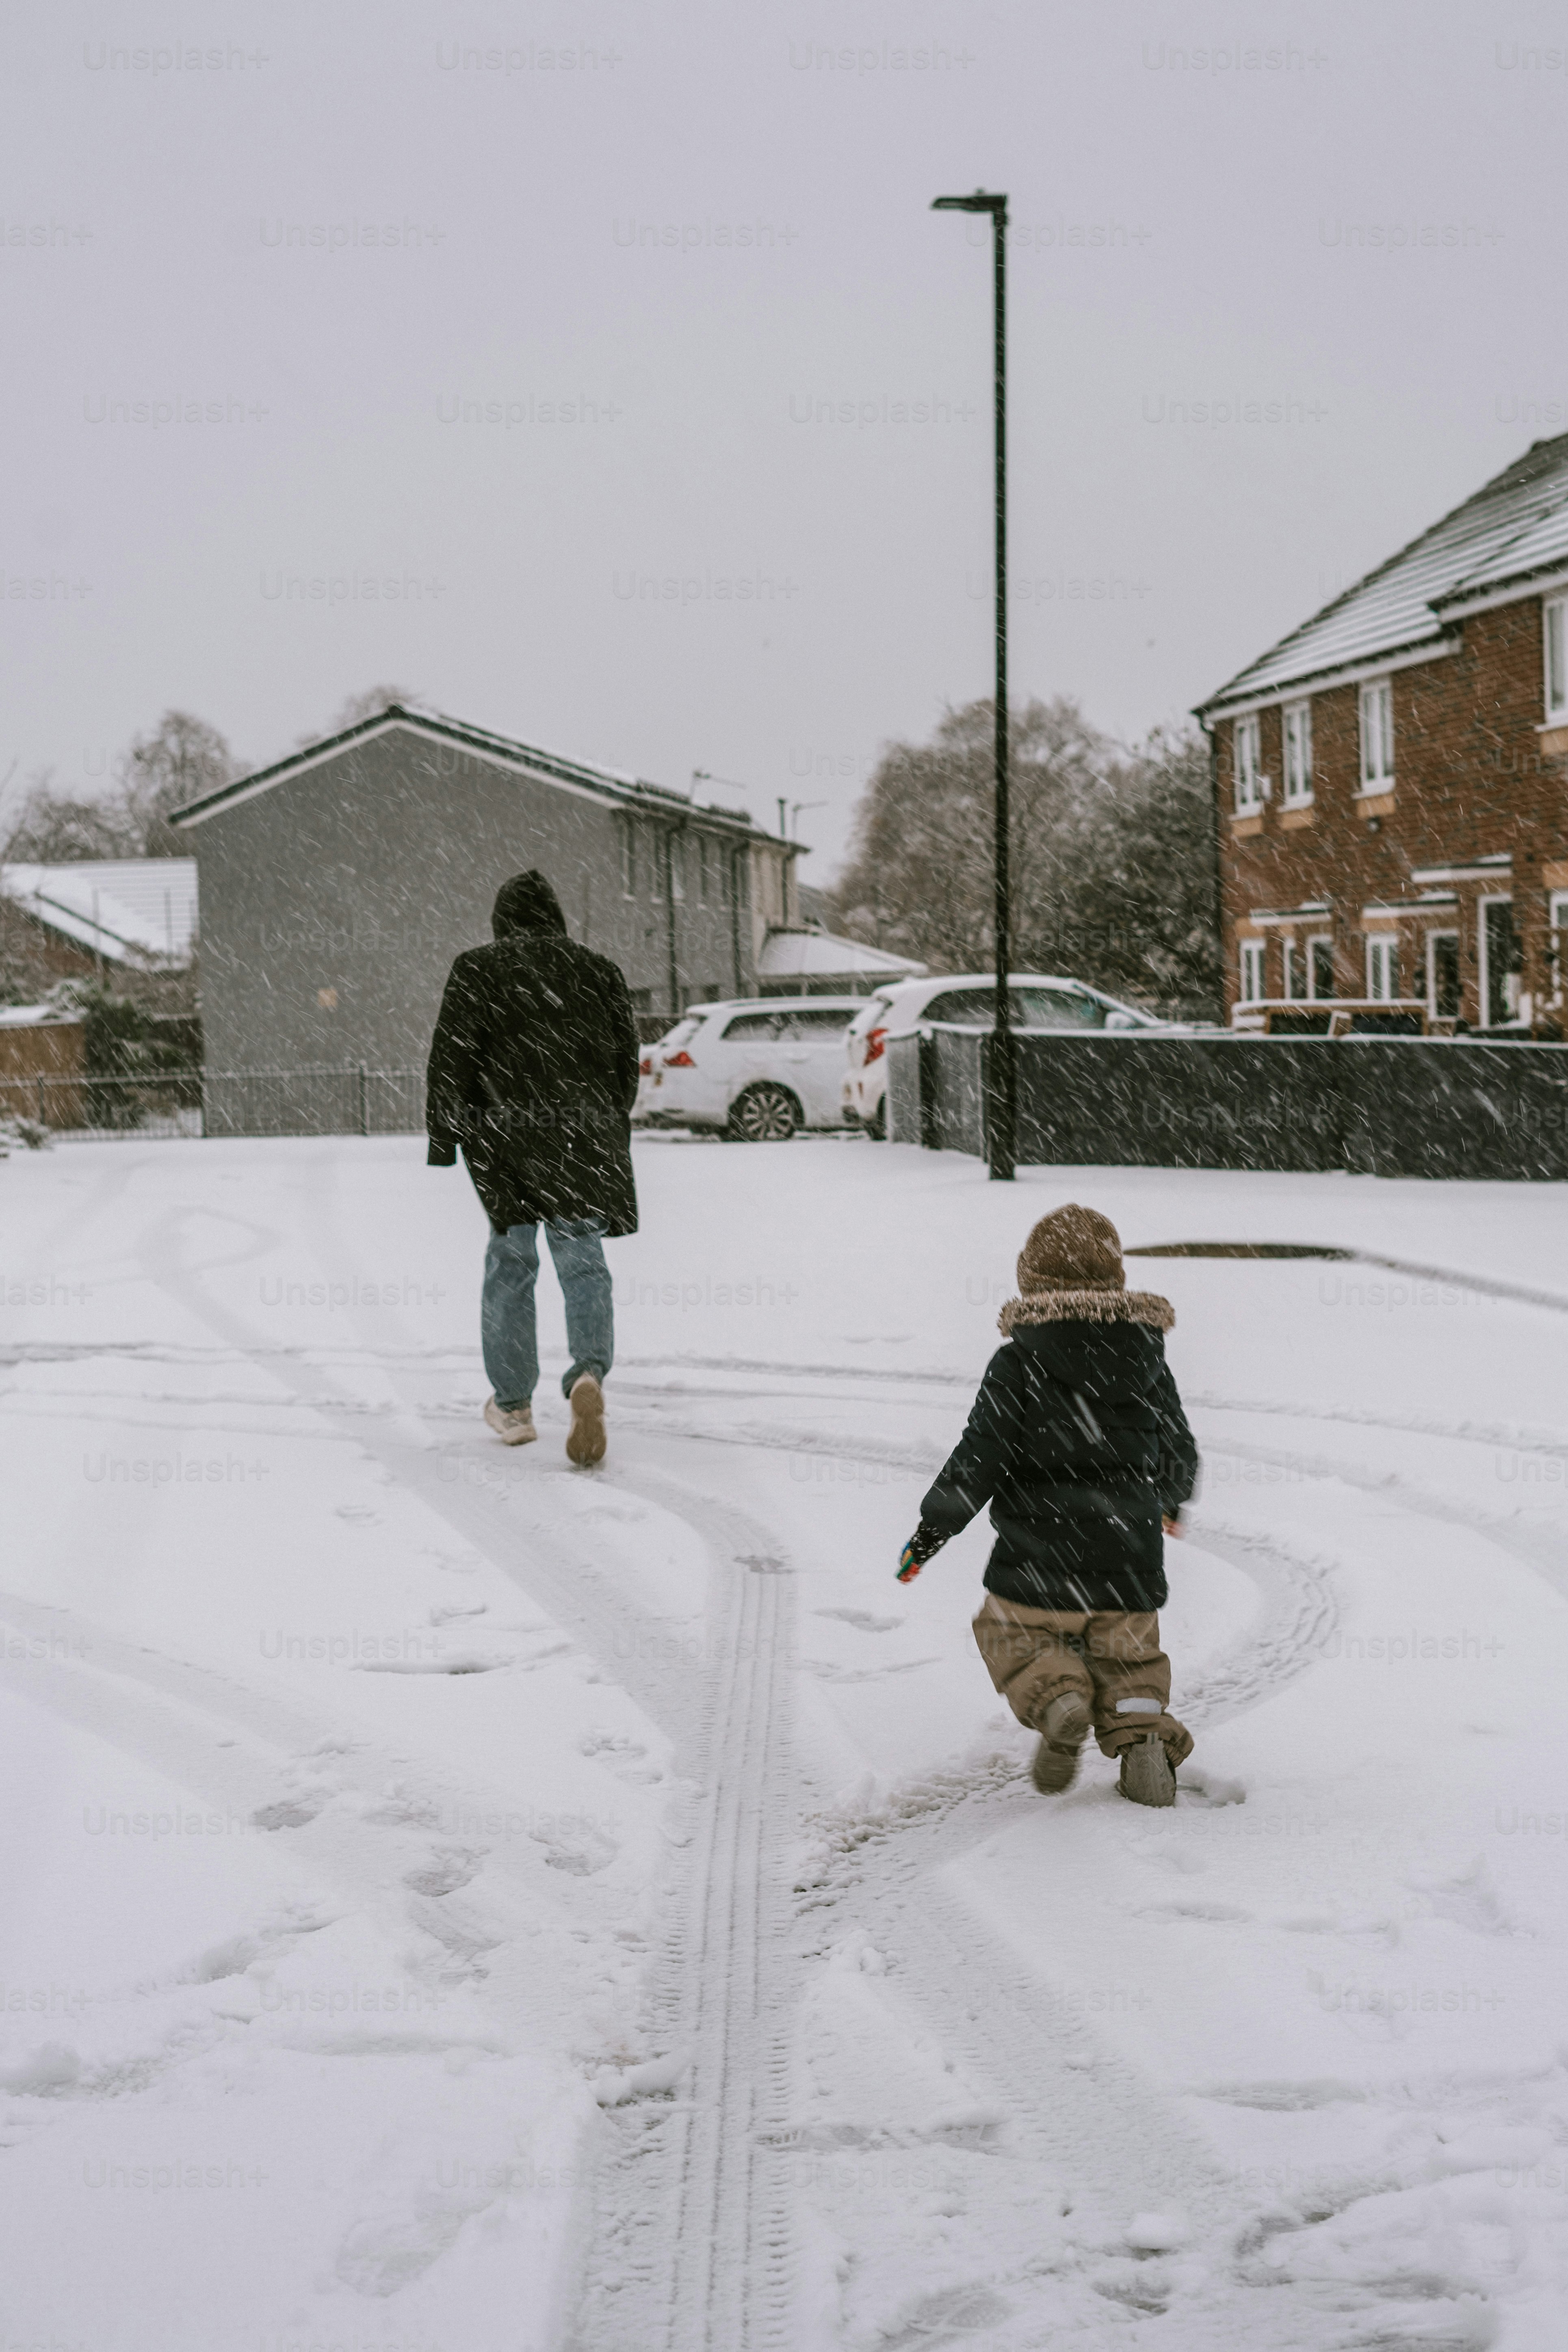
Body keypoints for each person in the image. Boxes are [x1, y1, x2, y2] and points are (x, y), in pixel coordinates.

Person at [895, 1204, 1198, 1808]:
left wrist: (931, 1532)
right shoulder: (1145, 1359)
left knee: (1010, 1634)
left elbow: (978, 1455)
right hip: (1128, 1561)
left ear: (1031, 1284)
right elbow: (1177, 1446)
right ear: (1115, 1283)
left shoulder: (1019, 1362)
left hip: (1037, 1562)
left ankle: (1058, 1697)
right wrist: (1171, 1498)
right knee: (1131, 1660)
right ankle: (1141, 1738)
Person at [425, 869, 639, 1468]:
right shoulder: (600, 971)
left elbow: (451, 1058)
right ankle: (588, 1373)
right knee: (582, 1258)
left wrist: (448, 1135)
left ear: (502, 921)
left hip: (506, 1139)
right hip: (582, 1138)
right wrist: (602, 1119)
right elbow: (627, 1062)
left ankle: (514, 1406)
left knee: (512, 1263)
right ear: (556, 918)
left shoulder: (477, 970)